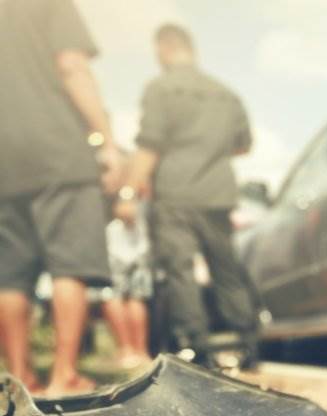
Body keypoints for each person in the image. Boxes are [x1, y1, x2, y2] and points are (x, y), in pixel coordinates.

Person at [0, 0, 123, 395]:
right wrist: (106, 141)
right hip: (56, 144)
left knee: (9, 272)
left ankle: (21, 378)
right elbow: (72, 66)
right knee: (70, 261)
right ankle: (64, 375)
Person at [115, 23, 257, 366]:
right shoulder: (225, 93)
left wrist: (128, 193)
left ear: (163, 49)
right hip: (217, 194)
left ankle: (195, 347)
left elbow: (149, 145)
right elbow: (243, 145)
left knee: (180, 271)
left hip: (175, 194)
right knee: (226, 268)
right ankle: (247, 344)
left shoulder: (161, 88)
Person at [103, 186, 154, 370]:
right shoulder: (113, 229)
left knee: (134, 301)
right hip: (119, 267)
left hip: (135, 267)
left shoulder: (142, 227)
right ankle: (127, 350)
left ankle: (138, 351)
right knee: (114, 300)